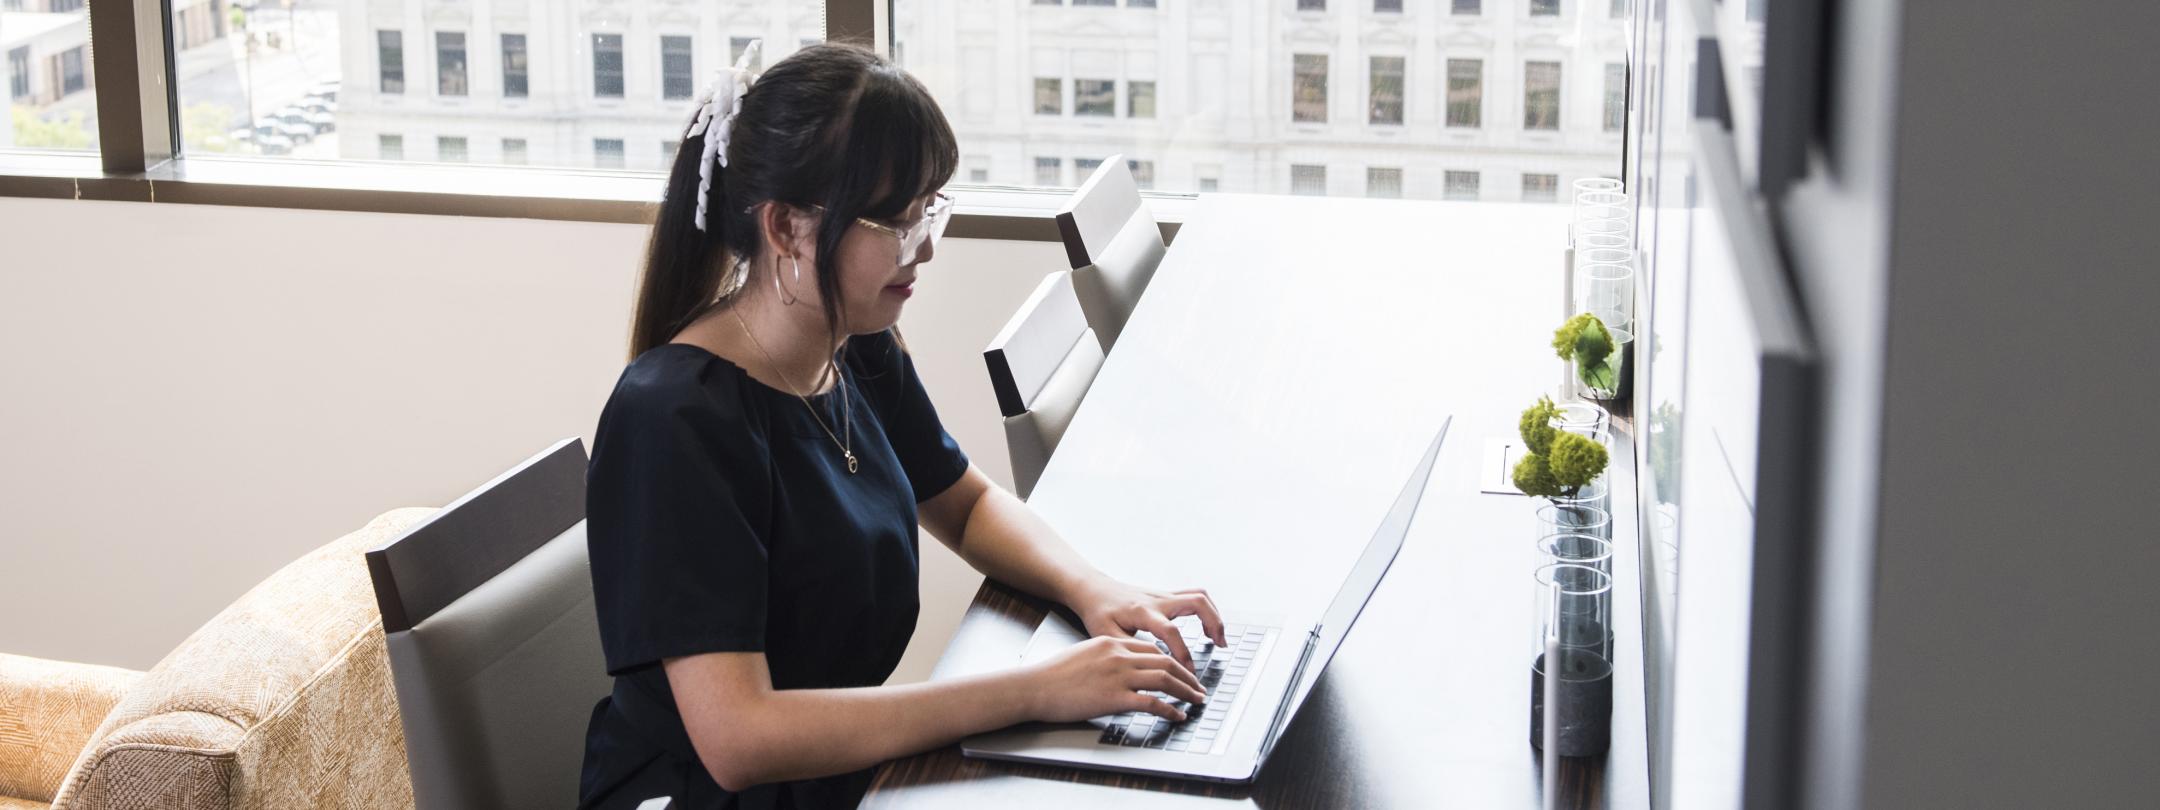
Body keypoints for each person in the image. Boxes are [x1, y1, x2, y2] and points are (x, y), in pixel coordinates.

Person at [577, 42, 1225, 810]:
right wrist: (1030, 692)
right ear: (786, 227)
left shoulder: (854, 341)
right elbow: (739, 740)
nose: (921, 248)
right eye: (894, 220)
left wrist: (1096, 590)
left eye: (928, 210)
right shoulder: (675, 421)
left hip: (843, 777)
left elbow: (964, 502)